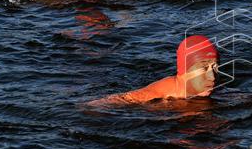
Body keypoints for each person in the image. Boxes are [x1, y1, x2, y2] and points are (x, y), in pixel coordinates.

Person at [88, 36, 220, 105]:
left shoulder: (212, 90)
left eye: (215, 67)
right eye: (203, 68)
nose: (212, 77)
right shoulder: (158, 95)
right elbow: (108, 102)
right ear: (184, 70)